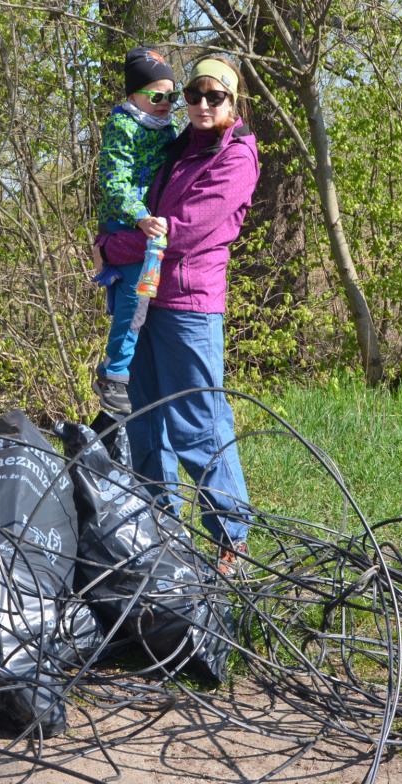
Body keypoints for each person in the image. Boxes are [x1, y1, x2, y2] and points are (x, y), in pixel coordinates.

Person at [98, 55, 258, 573]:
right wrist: (119, 238)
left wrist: (110, 248)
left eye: (215, 96)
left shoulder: (235, 157)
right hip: (143, 298)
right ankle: (161, 533)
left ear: (234, 101)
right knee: (144, 422)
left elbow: (181, 232)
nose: (202, 105)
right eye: (193, 94)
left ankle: (232, 539)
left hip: (189, 307)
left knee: (198, 425)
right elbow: (130, 197)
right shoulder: (174, 144)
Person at [91, 46, 179, 415]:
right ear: (133, 96)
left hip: (151, 233)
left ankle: (132, 376)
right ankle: (113, 374)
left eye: (172, 96)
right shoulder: (122, 126)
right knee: (134, 301)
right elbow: (113, 182)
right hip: (126, 225)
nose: (165, 103)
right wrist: (141, 216)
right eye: (157, 96)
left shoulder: (168, 129)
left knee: (147, 303)